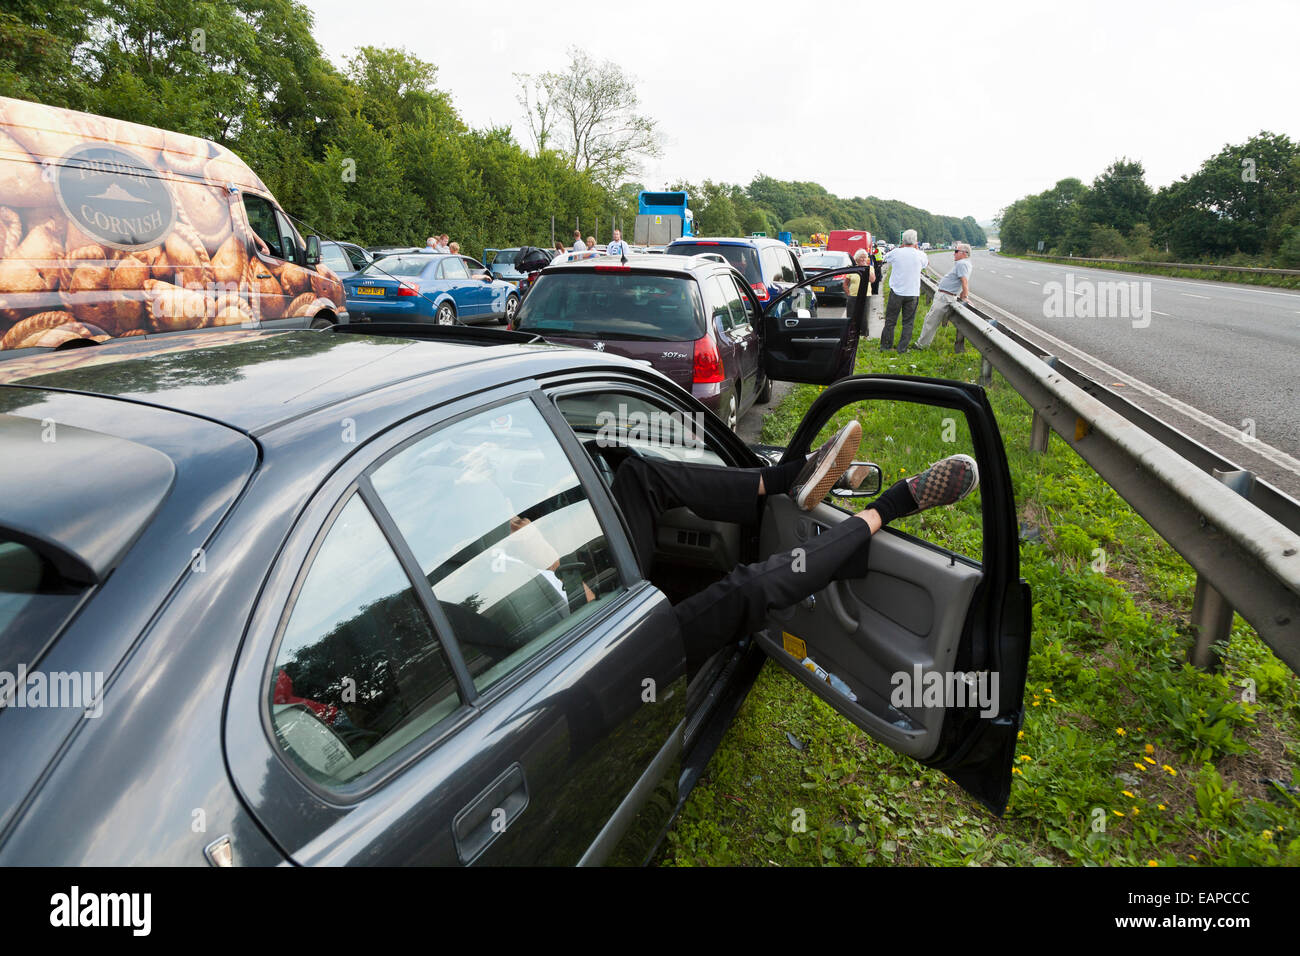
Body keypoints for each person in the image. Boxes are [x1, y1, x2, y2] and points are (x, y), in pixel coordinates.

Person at [609, 420, 978, 664]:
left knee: (638, 474)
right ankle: (889, 506)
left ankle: (783, 477)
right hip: (618, 661)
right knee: (749, 588)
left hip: (592, 604)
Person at [916, 241, 972, 350]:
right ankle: (922, 344)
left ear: (964, 253)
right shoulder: (964, 263)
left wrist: (965, 296)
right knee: (930, 320)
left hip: (945, 297)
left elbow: (964, 281)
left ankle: (921, 346)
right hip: (946, 295)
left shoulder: (962, 264)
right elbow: (961, 281)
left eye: (956, 251)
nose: (954, 253)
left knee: (930, 321)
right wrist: (962, 294)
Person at [880, 229, 929, 352]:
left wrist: (901, 248)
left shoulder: (896, 252)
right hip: (912, 293)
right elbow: (925, 265)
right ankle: (902, 348)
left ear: (903, 240)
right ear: (916, 241)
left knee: (890, 321)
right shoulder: (921, 254)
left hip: (896, 292)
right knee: (908, 323)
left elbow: (885, 258)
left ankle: (885, 346)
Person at [841, 249, 875, 331]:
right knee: (851, 316)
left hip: (865, 296)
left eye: (865, 257)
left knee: (864, 317)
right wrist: (848, 293)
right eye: (861, 257)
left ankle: (864, 334)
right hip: (853, 296)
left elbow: (872, 280)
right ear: (857, 259)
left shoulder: (870, 268)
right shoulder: (853, 269)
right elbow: (845, 284)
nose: (863, 259)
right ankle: (850, 333)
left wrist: (866, 267)